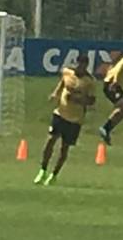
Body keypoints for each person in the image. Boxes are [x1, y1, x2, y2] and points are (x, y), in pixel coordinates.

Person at [35, 57, 96, 185]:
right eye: (79, 64)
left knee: (64, 148)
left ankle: (54, 175)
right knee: (50, 140)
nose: (80, 67)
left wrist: (76, 99)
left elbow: (91, 101)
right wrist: (55, 94)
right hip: (60, 113)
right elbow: (62, 83)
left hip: (75, 119)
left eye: (83, 65)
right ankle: (43, 170)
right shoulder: (67, 72)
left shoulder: (89, 81)